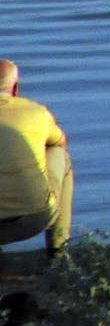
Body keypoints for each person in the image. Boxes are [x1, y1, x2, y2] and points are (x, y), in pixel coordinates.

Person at [0, 60, 71, 260]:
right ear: (15, 88)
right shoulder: (36, 112)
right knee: (60, 156)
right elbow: (61, 142)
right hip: (33, 221)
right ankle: (58, 251)